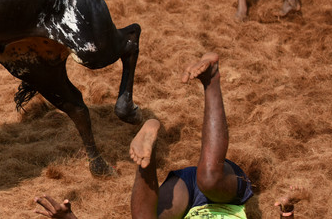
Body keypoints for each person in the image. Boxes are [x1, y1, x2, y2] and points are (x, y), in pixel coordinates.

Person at [33, 53, 254, 219]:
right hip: (228, 195)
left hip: (185, 197)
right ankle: (211, 78)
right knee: (209, 179)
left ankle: (149, 153)